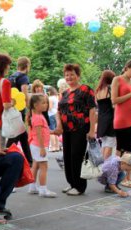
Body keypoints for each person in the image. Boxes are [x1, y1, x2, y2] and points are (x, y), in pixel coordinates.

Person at [53, 64, 97, 196]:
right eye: (66, 75)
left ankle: (79, 186)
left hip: (81, 128)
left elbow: (92, 110)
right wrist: (59, 125)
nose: (69, 77)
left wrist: (92, 130)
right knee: (67, 156)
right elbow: (58, 111)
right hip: (67, 130)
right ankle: (72, 183)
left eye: (72, 74)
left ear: (78, 75)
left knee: (77, 156)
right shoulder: (65, 93)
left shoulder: (85, 90)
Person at [111, 59, 131, 188]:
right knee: (121, 150)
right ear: (126, 68)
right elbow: (114, 100)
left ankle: (128, 178)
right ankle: (117, 176)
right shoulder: (117, 80)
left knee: (130, 150)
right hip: (122, 119)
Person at [27, 94, 57, 197]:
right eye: (43, 103)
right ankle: (43, 189)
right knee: (44, 166)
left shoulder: (36, 116)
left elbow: (43, 131)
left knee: (35, 165)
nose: (46, 105)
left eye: (46, 103)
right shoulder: (38, 117)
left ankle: (32, 186)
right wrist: (42, 148)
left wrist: (52, 132)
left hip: (35, 144)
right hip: (38, 145)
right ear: (35, 105)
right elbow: (39, 134)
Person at [6, 57, 32, 165]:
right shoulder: (23, 78)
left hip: (11, 108)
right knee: (16, 135)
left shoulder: (11, 77)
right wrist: (30, 107)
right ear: (27, 66)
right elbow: (24, 94)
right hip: (19, 109)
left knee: (23, 135)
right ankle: (6, 154)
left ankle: (29, 160)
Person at [95, 70, 116, 160]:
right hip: (111, 118)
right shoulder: (110, 89)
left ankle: (102, 165)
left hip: (101, 118)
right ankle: (106, 166)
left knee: (104, 143)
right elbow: (114, 104)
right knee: (110, 143)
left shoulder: (98, 90)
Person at [47, 87, 60, 152]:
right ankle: (57, 146)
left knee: (51, 131)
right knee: (56, 130)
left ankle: (53, 147)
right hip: (56, 114)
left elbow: (50, 108)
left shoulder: (50, 98)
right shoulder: (56, 98)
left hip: (51, 115)